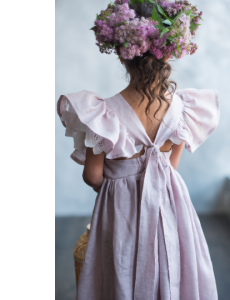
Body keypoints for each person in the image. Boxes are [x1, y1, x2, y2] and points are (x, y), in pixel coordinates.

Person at [57, 1, 219, 299]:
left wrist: (121, 181)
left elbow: (93, 177)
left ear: (123, 56)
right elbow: (170, 167)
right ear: (168, 53)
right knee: (172, 261)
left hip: (121, 206)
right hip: (170, 202)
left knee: (121, 263)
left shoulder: (102, 114)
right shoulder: (184, 108)